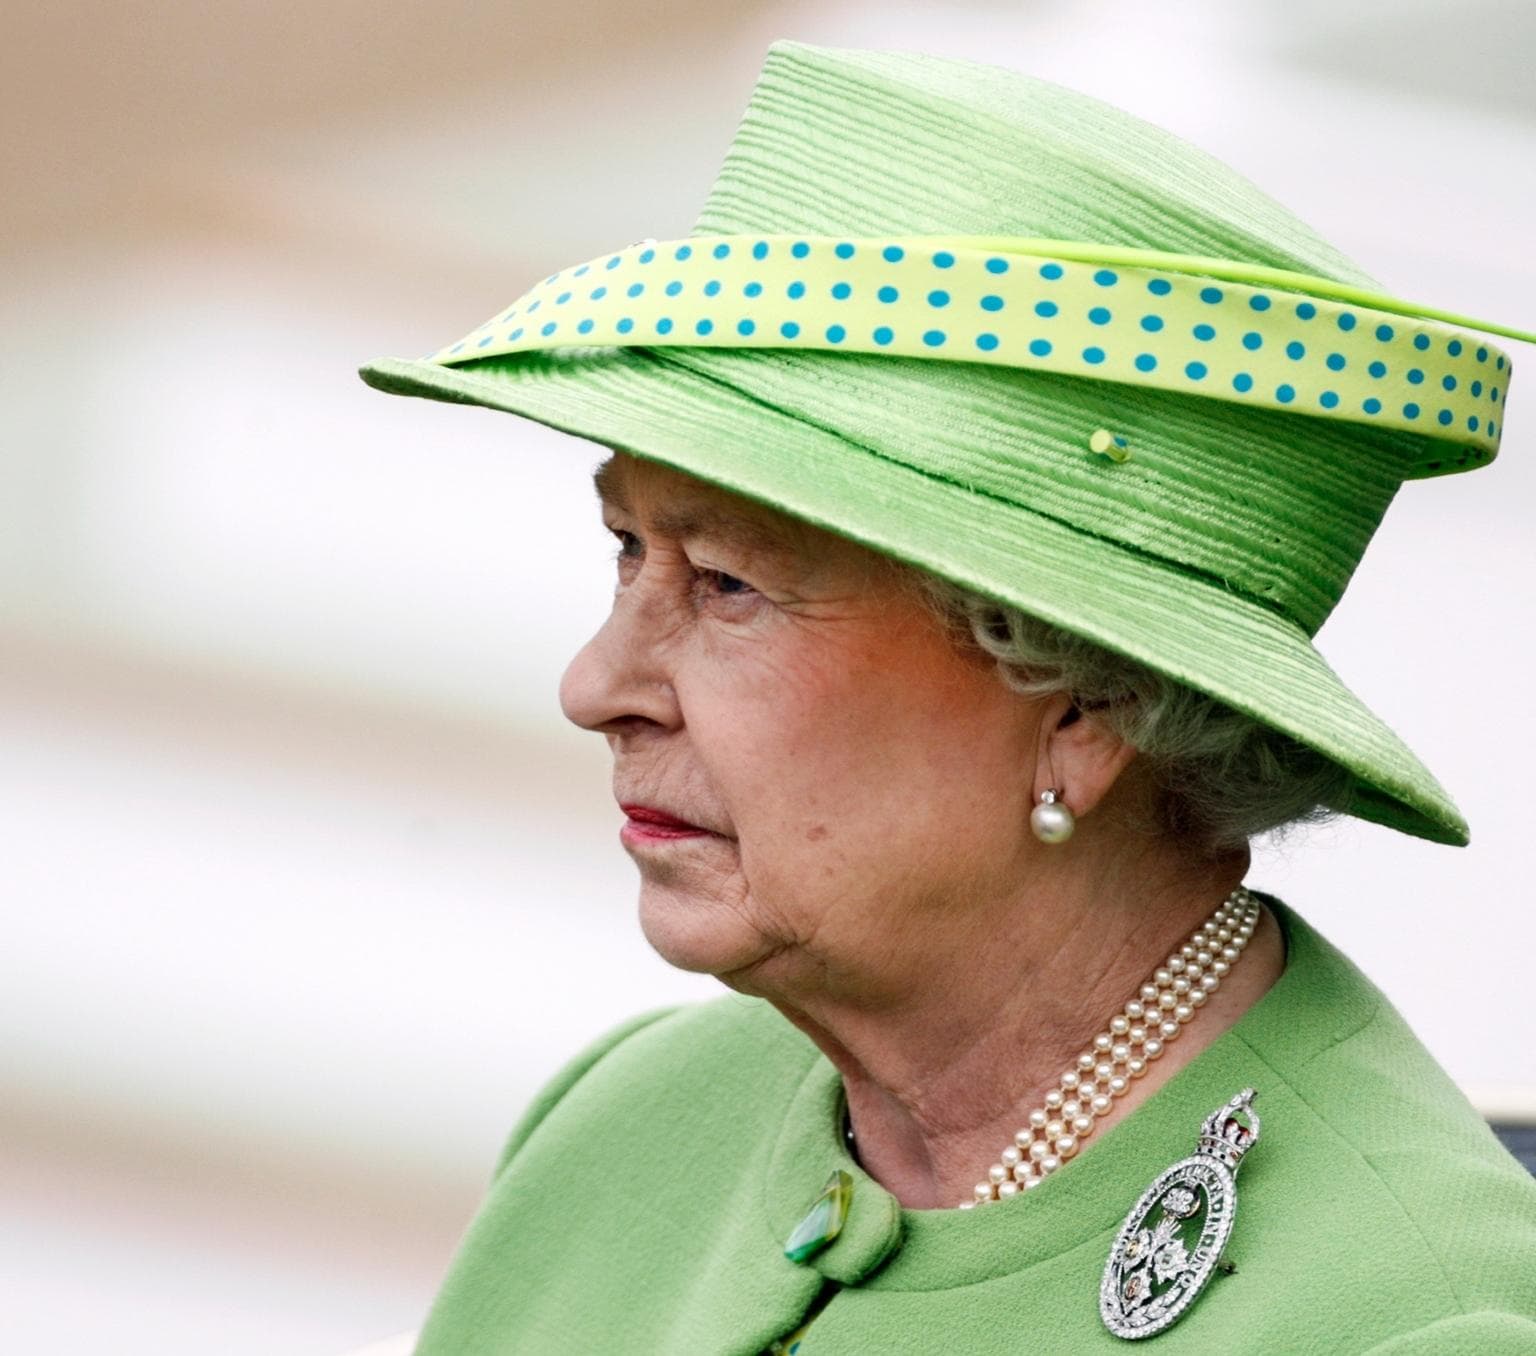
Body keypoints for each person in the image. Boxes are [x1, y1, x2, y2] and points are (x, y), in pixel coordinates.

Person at [355, 38, 1536, 1354]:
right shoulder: (627, 1123)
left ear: (1090, 705)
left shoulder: (1416, 1320)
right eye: (630, 551)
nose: (597, 687)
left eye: (729, 586)